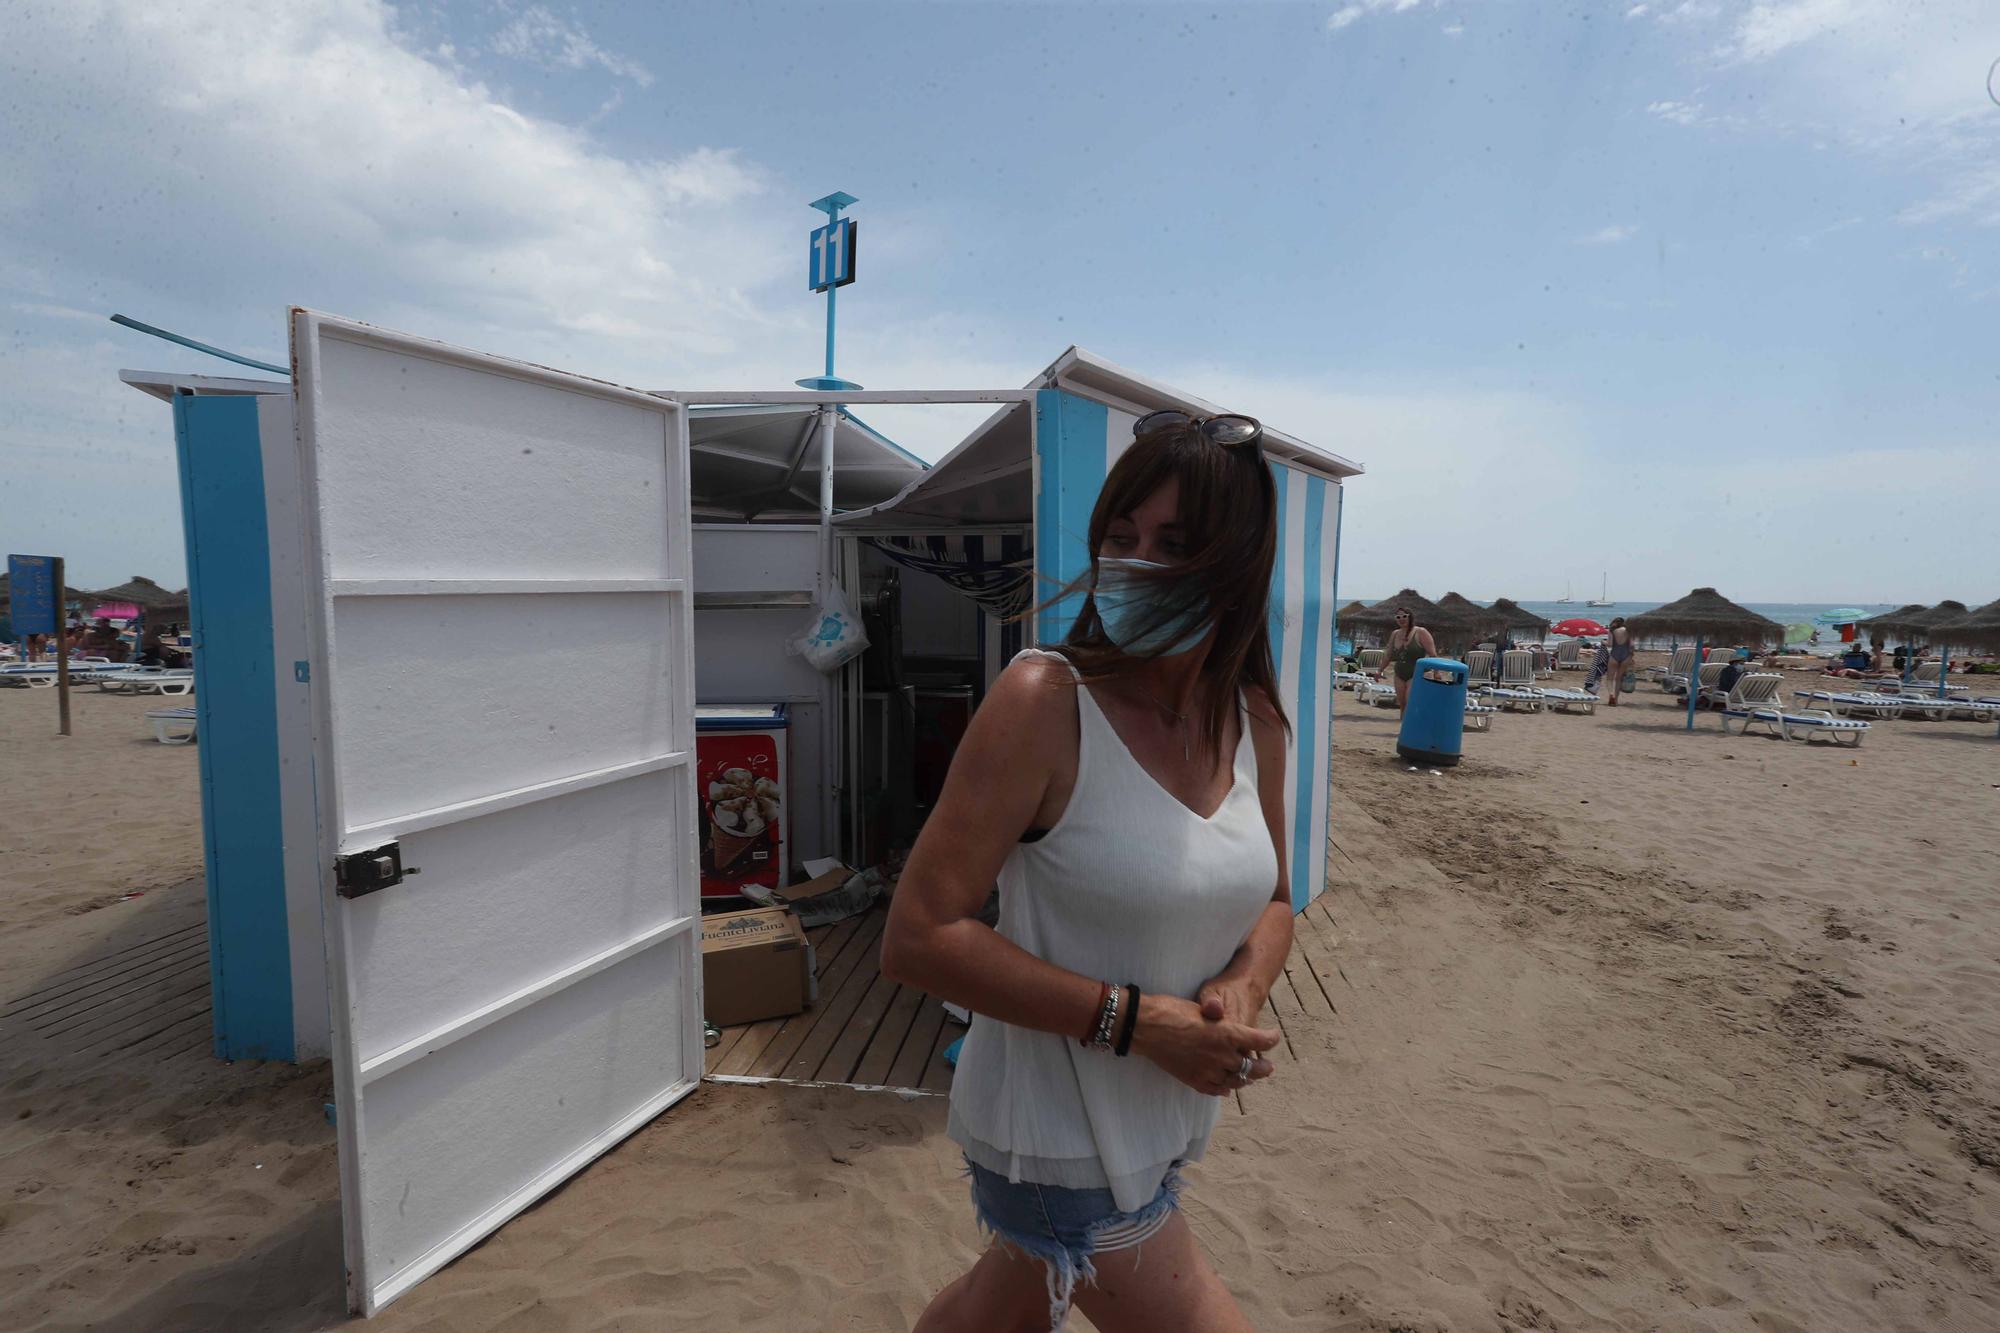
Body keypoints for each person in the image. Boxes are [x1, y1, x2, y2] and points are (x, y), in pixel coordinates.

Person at [885, 409, 1292, 1333]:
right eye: (1121, 535)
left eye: (1175, 542)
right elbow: (918, 935)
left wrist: (1244, 981)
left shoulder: (1253, 717)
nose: (1136, 562)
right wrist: (1138, 1023)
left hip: (1158, 1128)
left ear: (1236, 564)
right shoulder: (1046, 701)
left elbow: (1274, 899)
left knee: (997, 1312)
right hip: (1056, 1141)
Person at [1385, 608, 1436, 710]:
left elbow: (1433, 654)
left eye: (1404, 616)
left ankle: (1413, 724)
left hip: (1417, 672)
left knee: (1410, 702)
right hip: (1400, 673)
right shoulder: (1395, 634)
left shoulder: (1420, 632)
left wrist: (1437, 672)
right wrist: (1380, 670)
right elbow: (1388, 655)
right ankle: (1403, 724)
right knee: (1402, 704)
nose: (1401, 619)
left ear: (1410, 617)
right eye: (1398, 617)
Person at [1605, 617, 1635, 705]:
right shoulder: (1629, 631)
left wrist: (1603, 642)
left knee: (1609, 678)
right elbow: (1632, 645)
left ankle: (1611, 695)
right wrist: (1631, 656)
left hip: (1614, 654)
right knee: (1618, 679)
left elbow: (1610, 644)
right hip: (1626, 656)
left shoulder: (1612, 631)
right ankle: (1616, 699)